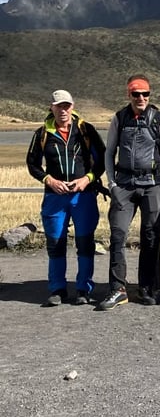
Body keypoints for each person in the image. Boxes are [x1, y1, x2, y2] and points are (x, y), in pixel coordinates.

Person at [97, 74, 160, 311]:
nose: (141, 98)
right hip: (124, 185)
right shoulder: (119, 118)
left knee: (150, 237)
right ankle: (117, 290)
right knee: (118, 235)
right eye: (136, 93)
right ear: (128, 94)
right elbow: (109, 151)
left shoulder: (158, 119)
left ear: (150, 94)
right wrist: (111, 183)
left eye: (145, 93)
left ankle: (147, 288)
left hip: (152, 184)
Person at [26, 90, 106, 306]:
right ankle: (58, 290)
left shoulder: (86, 130)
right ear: (51, 107)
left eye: (66, 105)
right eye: (59, 106)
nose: (63, 110)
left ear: (72, 106)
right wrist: (48, 180)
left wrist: (87, 179)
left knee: (85, 243)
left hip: (83, 196)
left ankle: (83, 289)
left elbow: (102, 160)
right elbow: (32, 164)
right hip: (55, 196)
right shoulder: (42, 134)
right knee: (55, 243)